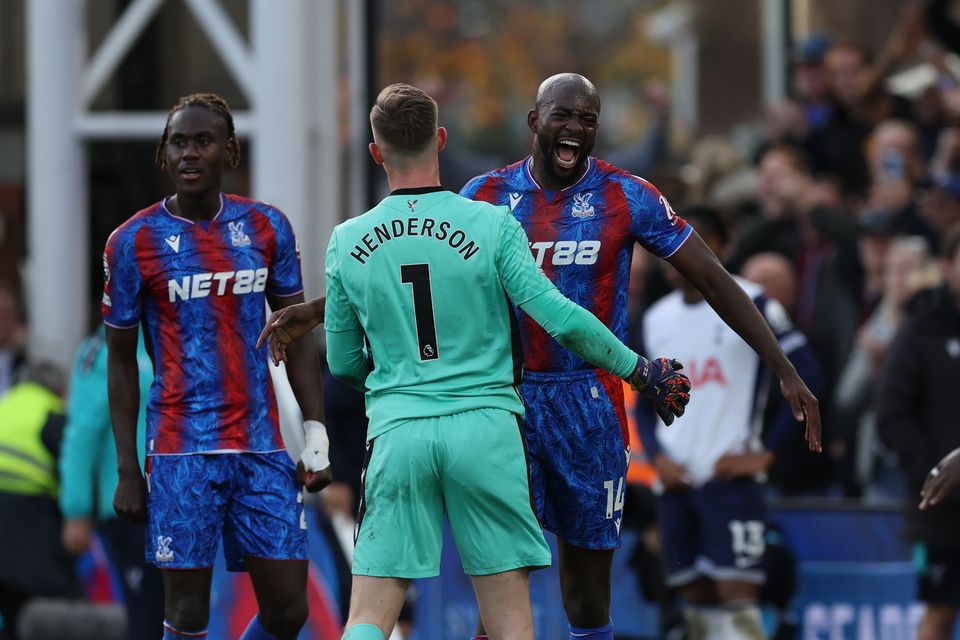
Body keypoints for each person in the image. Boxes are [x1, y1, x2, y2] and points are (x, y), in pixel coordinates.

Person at [256, 83, 692, 640]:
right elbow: (559, 317)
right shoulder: (491, 224)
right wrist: (640, 370)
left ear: (375, 151)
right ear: (440, 140)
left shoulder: (348, 240)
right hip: (486, 430)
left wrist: (400, 381)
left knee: (370, 613)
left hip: (399, 431)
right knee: (509, 620)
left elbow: (342, 363)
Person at [459, 73, 822, 640]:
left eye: (589, 118)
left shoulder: (627, 195)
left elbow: (716, 280)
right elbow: (423, 275)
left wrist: (784, 367)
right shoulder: (482, 196)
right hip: (507, 401)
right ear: (535, 122)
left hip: (593, 403)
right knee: (503, 584)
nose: (576, 128)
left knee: (585, 594)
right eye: (564, 115)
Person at [101, 93, 328, 640]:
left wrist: (315, 432)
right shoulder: (132, 242)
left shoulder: (267, 227)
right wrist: (129, 470)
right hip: (182, 450)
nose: (190, 153)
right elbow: (120, 362)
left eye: (203, 141)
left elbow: (296, 336)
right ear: (163, 154)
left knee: (288, 610)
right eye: (178, 142)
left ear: (229, 150)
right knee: (186, 613)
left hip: (262, 445)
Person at [638, 207, 824, 640]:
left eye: (693, 238)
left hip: (730, 480)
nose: (674, 252)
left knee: (738, 596)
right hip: (676, 480)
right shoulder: (654, 318)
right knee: (696, 600)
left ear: (719, 246)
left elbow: (807, 374)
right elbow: (646, 400)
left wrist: (767, 453)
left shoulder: (752, 299)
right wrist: (656, 456)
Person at [877, 223, 960, 640]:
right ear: (946, 266)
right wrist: (935, 472)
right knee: (939, 614)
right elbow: (891, 416)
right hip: (943, 510)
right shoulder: (920, 329)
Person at [59, 327, 164, 639]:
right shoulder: (102, 349)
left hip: (179, 507)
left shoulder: (175, 331)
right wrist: (76, 509)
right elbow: (82, 433)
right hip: (131, 512)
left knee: (176, 618)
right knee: (146, 619)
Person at [0, 362, 82, 640]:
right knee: (60, 603)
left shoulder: (5, 403)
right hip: (29, 518)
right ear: (59, 390)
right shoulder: (51, 411)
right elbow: (73, 471)